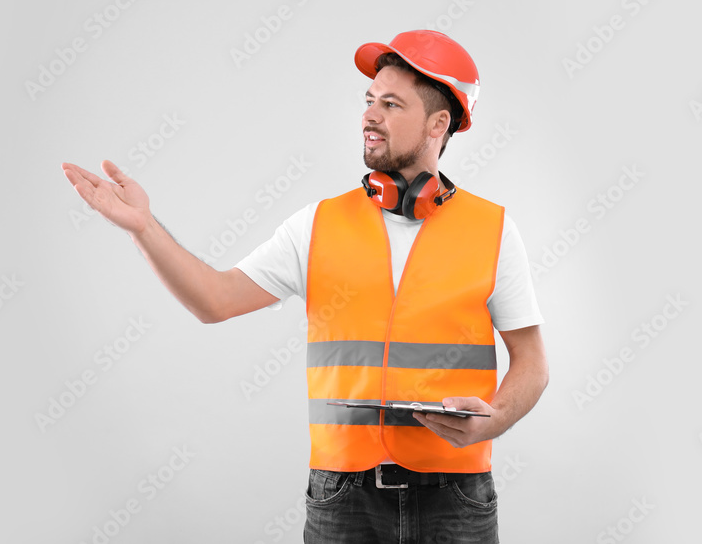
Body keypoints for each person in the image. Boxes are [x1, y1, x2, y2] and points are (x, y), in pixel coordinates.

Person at [61, 30, 549, 543]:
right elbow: (214, 300)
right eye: (368, 101)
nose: (369, 115)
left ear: (438, 123)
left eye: (390, 104)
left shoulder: (494, 230)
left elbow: (533, 365)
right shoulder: (317, 225)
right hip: (343, 498)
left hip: (457, 495)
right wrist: (144, 227)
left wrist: (491, 421)